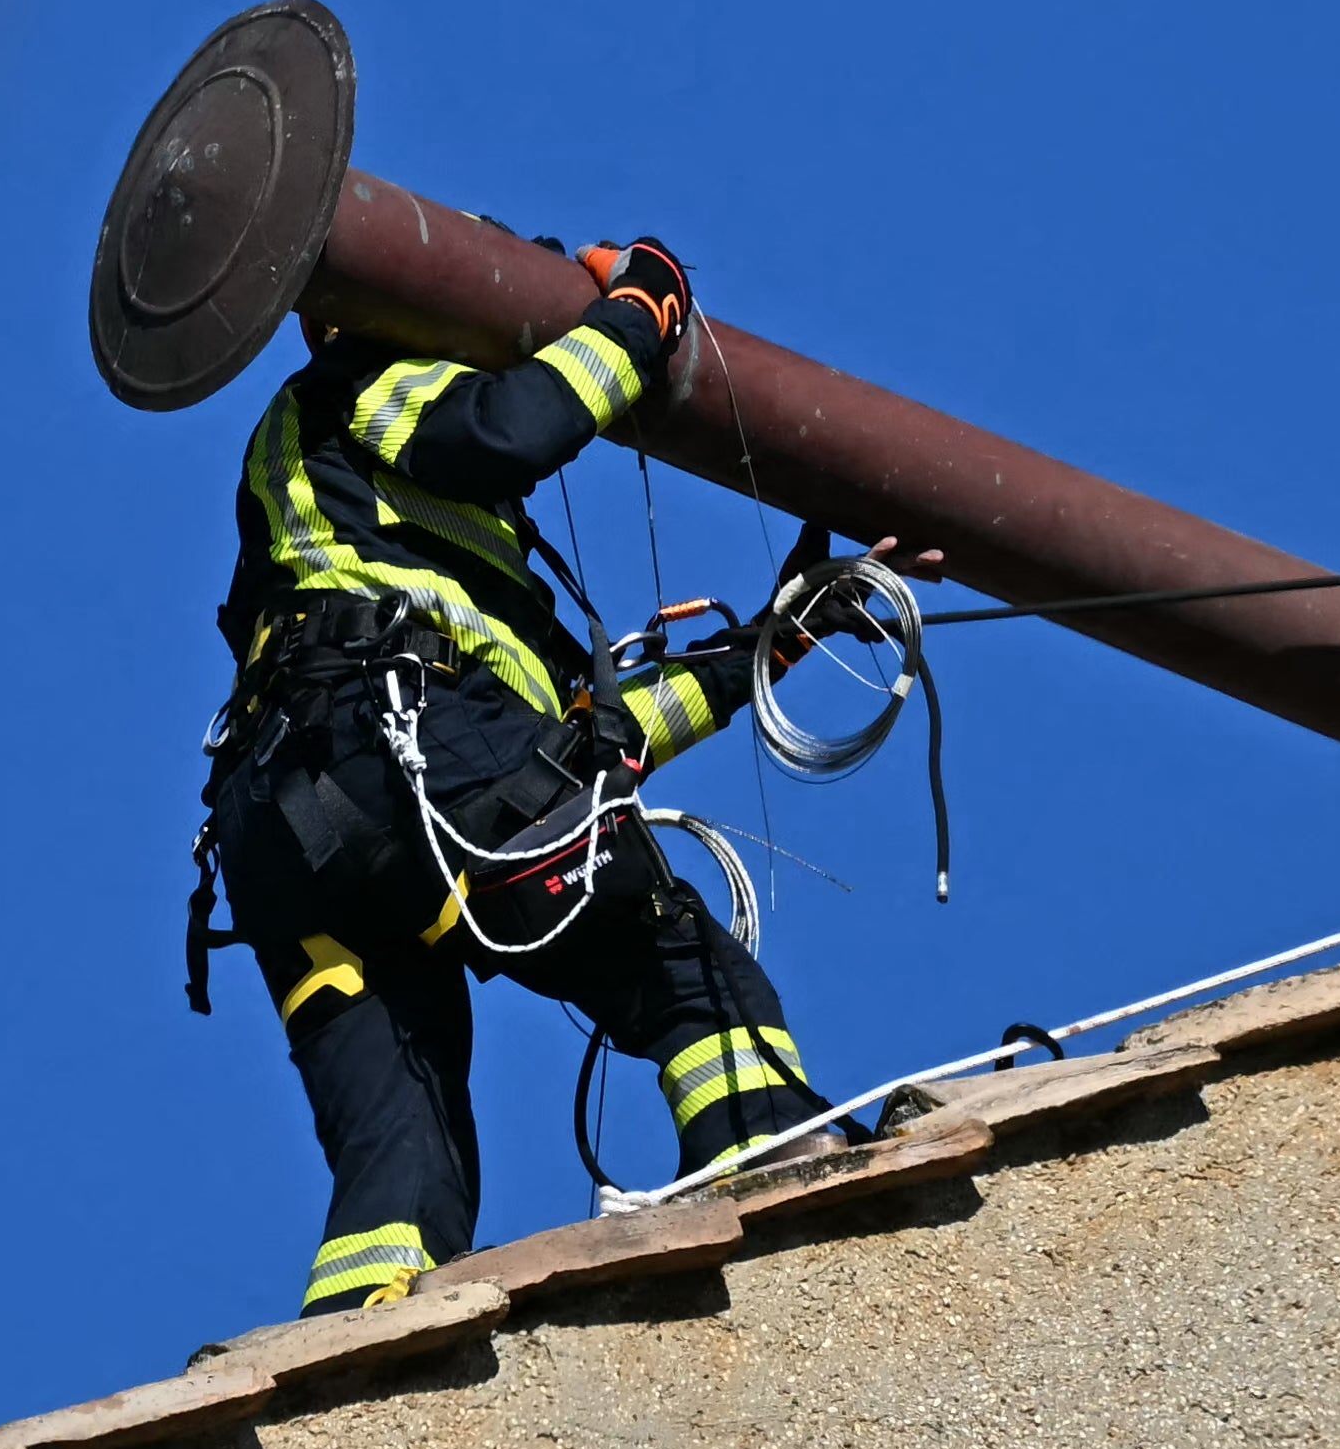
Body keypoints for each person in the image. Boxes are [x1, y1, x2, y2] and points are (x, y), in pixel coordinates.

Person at [195, 243, 866, 1311]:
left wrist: (765, 653)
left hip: (293, 836)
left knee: (398, 1145)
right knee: (685, 967)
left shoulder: (391, 554)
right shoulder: (366, 376)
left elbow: (583, 755)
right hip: (394, 751)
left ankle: (350, 1359)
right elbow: (507, 434)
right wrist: (643, 307)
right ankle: (783, 1170)